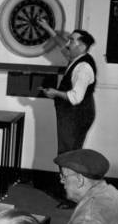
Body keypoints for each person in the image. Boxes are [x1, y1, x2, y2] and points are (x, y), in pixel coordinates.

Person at [38, 18, 97, 155]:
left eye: (71, 41)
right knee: (69, 152)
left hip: (75, 115)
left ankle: (66, 177)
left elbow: (75, 97)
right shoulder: (77, 58)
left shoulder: (83, 67)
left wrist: (55, 93)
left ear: (82, 47)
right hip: (74, 113)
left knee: (67, 153)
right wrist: (47, 28)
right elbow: (62, 45)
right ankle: (67, 177)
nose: (67, 44)